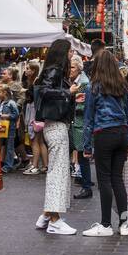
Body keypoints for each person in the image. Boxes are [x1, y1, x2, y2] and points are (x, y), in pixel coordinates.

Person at [80, 49, 128, 237]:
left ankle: (105, 225)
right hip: (121, 133)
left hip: (104, 133)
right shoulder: (123, 86)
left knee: (104, 179)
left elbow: (89, 118)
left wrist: (86, 146)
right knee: (117, 179)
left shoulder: (94, 87)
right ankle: (125, 224)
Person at [33, 40, 78, 234]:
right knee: (58, 172)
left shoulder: (52, 69)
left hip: (54, 124)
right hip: (56, 125)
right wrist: (68, 92)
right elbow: (43, 91)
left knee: (58, 170)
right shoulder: (55, 70)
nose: (72, 54)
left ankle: (46, 215)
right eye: (69, 51)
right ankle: (54, 220)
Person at [68, 56, 93, 198]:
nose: (70, 70)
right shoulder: (78, 81)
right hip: (78, 123)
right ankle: (85, 182)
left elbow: (81, 106)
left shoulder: (82, 83)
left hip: (80, 124)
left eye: (72, 67)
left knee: (83, 155)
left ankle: (86, 186)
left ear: (79, 68)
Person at [23, 62, 44, 175]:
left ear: (34, 70)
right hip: (36, 112)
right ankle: (45, 165)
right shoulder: (33, 81)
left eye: (27, 68)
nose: (25, 71)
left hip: (34, 112)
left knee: (35, 140)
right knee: (40, 141)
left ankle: (35, 165)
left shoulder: (36, 82)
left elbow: (34, 97)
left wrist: (26, 92)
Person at [0, 84, 20, 172]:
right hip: (2, 126)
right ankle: (1, 163)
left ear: (5, 93)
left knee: (9, 146)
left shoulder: (11, 103)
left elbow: (16, 114)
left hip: (10, 127)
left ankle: (8, 165)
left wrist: (6, 116)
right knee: (2, 145)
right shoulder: (1, 102)